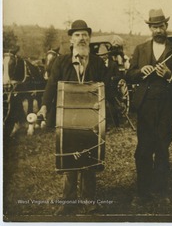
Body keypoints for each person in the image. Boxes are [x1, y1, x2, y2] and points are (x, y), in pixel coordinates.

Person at [37, 20, 107, 215]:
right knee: (69, 158)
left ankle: (89, 201)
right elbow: (51, 86)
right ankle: (68, 201)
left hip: (91, 118)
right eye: (77, 35)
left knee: (90, 157)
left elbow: (106, 87)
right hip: (67, 118)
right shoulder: (61, 61)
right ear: (71, 39)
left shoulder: (98, 63)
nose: (82, 38)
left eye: (85, 34)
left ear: (89, 38)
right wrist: (43, 107)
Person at [126, 9, 172, 205]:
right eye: (155, 27)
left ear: (166, 27)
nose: (158, 30)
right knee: (143, 149)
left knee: (162, 148)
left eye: (161, 26)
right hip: (145, 106)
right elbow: (129, 75)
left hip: (166, 106)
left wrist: (170, 75)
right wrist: (140, 71)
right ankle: (142, 192)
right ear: (150, 28)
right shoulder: (140, 49)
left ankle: (161, 192)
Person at [97, 43, 122, 127]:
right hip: (103, 89)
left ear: (107, 55)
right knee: (103, 107)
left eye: (103, 55)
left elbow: (119, 76)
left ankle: (116, 123)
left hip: (112, 89)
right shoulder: (99, 65)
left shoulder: (113, 64)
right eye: (100, 55)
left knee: (113, 106)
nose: (102, 57)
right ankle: (105, 125)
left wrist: (112, 79)